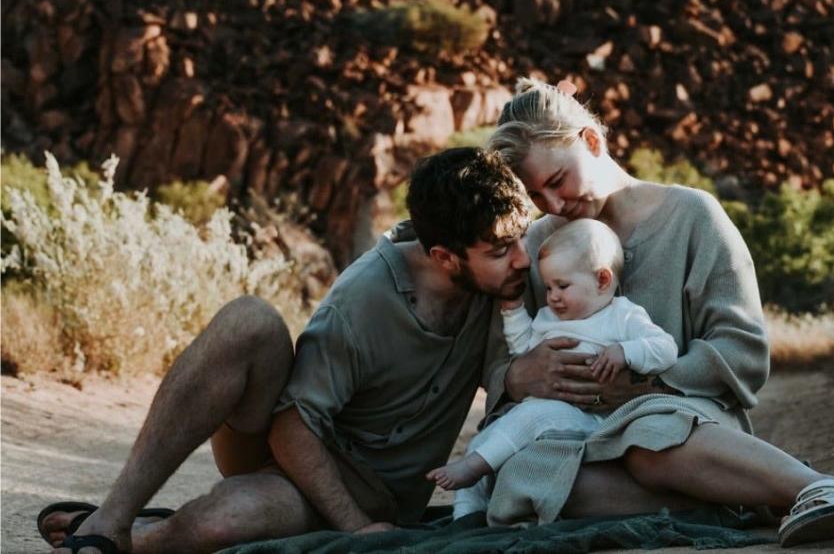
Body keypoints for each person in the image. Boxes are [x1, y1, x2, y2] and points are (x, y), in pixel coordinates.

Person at [39, 147, 532, 554]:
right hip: (301, 450)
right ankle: (112, 525)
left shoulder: (504, 282)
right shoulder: (364, 299)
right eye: (499, 251)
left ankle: (150, 535)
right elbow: (293, 423)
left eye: (521, 240)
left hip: (362, 489)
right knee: (248, 320)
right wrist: (356, 530)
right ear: (444, 257)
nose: (522, 259)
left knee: (227, 520)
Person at [482, 77, 834, 547]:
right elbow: (498, 359)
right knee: (524, 479)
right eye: (536, 195)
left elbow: (742, 350)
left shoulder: (693, 215)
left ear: (591, 141)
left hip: (684, 422)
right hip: (579, 437)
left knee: (649, 442)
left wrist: (648, 384)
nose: (553, 205)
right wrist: (521, 375)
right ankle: (739, 493)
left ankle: (821, 490)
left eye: (557, 181)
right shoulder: (537, 244)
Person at [426, 218, 677, 505]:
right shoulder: (549, 318)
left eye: (562, 286)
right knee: (483, 440)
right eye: (548, 288)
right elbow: (524, 350)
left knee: (531, 418)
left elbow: (666, 348)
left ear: (602, 280)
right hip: (541, 415)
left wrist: (626, 352)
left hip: (591, 418)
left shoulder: (623, 315)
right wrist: (512, 312)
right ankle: (466, 515)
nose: (553, 297)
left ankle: (472, 469)